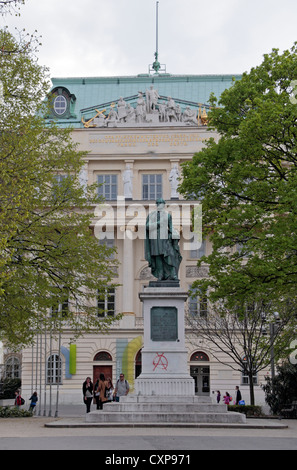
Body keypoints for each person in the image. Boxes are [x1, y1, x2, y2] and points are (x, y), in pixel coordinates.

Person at [145, 198, 182, 281]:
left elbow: (171, 227)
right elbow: (147, 226)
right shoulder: (151, 215)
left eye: (162, 204)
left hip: (165, 238)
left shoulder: (168, 215)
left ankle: (173, 274)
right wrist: (158, 223)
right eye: (159, 204)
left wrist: (175, 233)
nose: (161, 206)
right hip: (155, 238)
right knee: (158, 256)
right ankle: (160, 275)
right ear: (157, 205)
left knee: (169, 255)